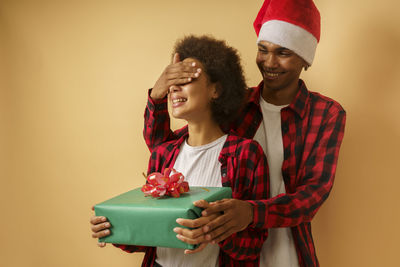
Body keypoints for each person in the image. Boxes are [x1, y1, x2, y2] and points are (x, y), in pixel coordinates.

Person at [142, 1, 346, 266]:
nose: (270, 62)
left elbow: (313, 194)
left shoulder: (326, 114)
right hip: (232, 248)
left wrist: (252, 212)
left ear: (305, 58)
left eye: (283, 52)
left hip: (287, 248)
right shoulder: (237, 104)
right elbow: (165, 149)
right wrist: (157, 97)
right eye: (263, 50)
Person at [90, 35, 269, 266]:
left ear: (216, 89)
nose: (174, 86)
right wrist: (113, 226)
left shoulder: (247, 154)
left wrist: (214, 231)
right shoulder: (162, 154)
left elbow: (255, 244)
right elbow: (151, 235)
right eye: (172, 79)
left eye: (186, 77)